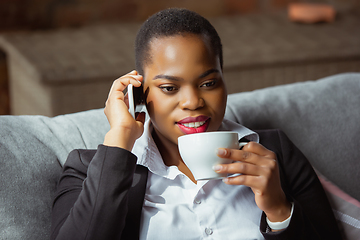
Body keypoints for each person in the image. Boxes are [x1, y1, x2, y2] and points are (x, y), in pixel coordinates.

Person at [51, 8, 341, 240]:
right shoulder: (88, 171)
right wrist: (120, 138)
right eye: (169, 88)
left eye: (208, 83)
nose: (193, 101)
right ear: (140, 93)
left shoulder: (275, 154)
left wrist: (280, 210)